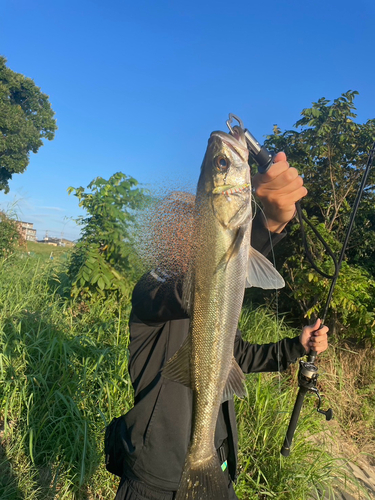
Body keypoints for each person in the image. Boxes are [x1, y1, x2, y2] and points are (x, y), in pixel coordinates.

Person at [114, 152, 329, 500]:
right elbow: (195, 288)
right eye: (179, 224)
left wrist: (296, 346)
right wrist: (263, 228)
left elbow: (240, 355)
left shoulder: (220, 303)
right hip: (153, 479)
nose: (189, 231)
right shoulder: (151, 290)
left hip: (216, 464)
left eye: (194, 221)